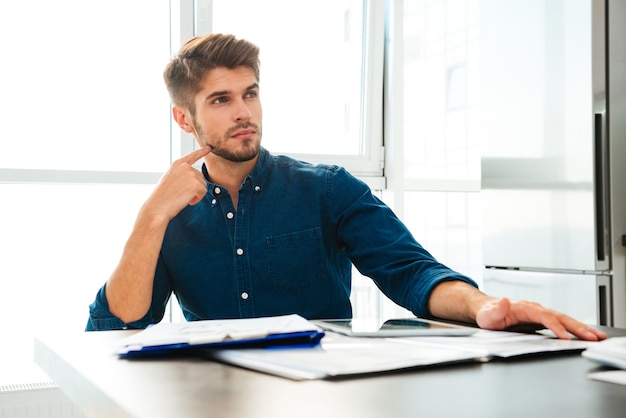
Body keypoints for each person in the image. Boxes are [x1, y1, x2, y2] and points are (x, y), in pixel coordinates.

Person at [86, 33, 606, 342]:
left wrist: (483, 306)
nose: (244, 112)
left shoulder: (328, 190)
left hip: (324, 400)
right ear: (184, 117)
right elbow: (121, 321)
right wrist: (150, 218)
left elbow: (412, 272)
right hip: (212, 401)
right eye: (220, 100)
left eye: (250, 93)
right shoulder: (172, 212)